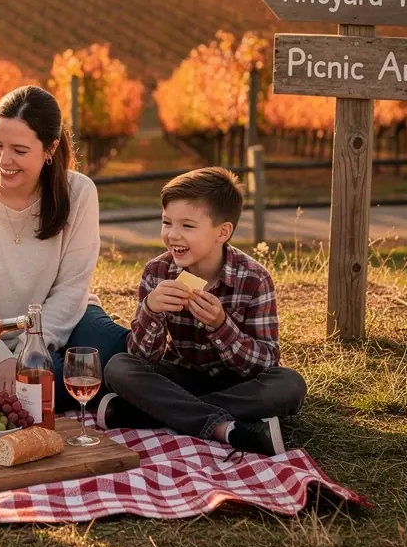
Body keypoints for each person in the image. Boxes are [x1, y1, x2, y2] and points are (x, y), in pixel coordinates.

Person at [0, 85, 129, 408]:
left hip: (64, 322)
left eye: (19, 150)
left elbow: (72, 290)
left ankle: (133, 398)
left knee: (120, 355)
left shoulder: (78, 193)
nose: (4, 160)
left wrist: (32, 348)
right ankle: (116, 404)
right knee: (39, 388)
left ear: (51, 148)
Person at [99, 168, 307, 456]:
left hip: (237, 382)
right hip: (181, 375)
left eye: (187, 226)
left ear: (223, 232)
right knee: (118, 366)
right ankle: (226, 428)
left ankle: (148, 412)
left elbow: (265, 363)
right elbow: (142, 358)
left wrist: (222, 325)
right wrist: (151, 310)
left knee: (289, 385)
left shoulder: (254, 279)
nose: (173, 235)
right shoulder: (157, 272)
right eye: (166, 222)